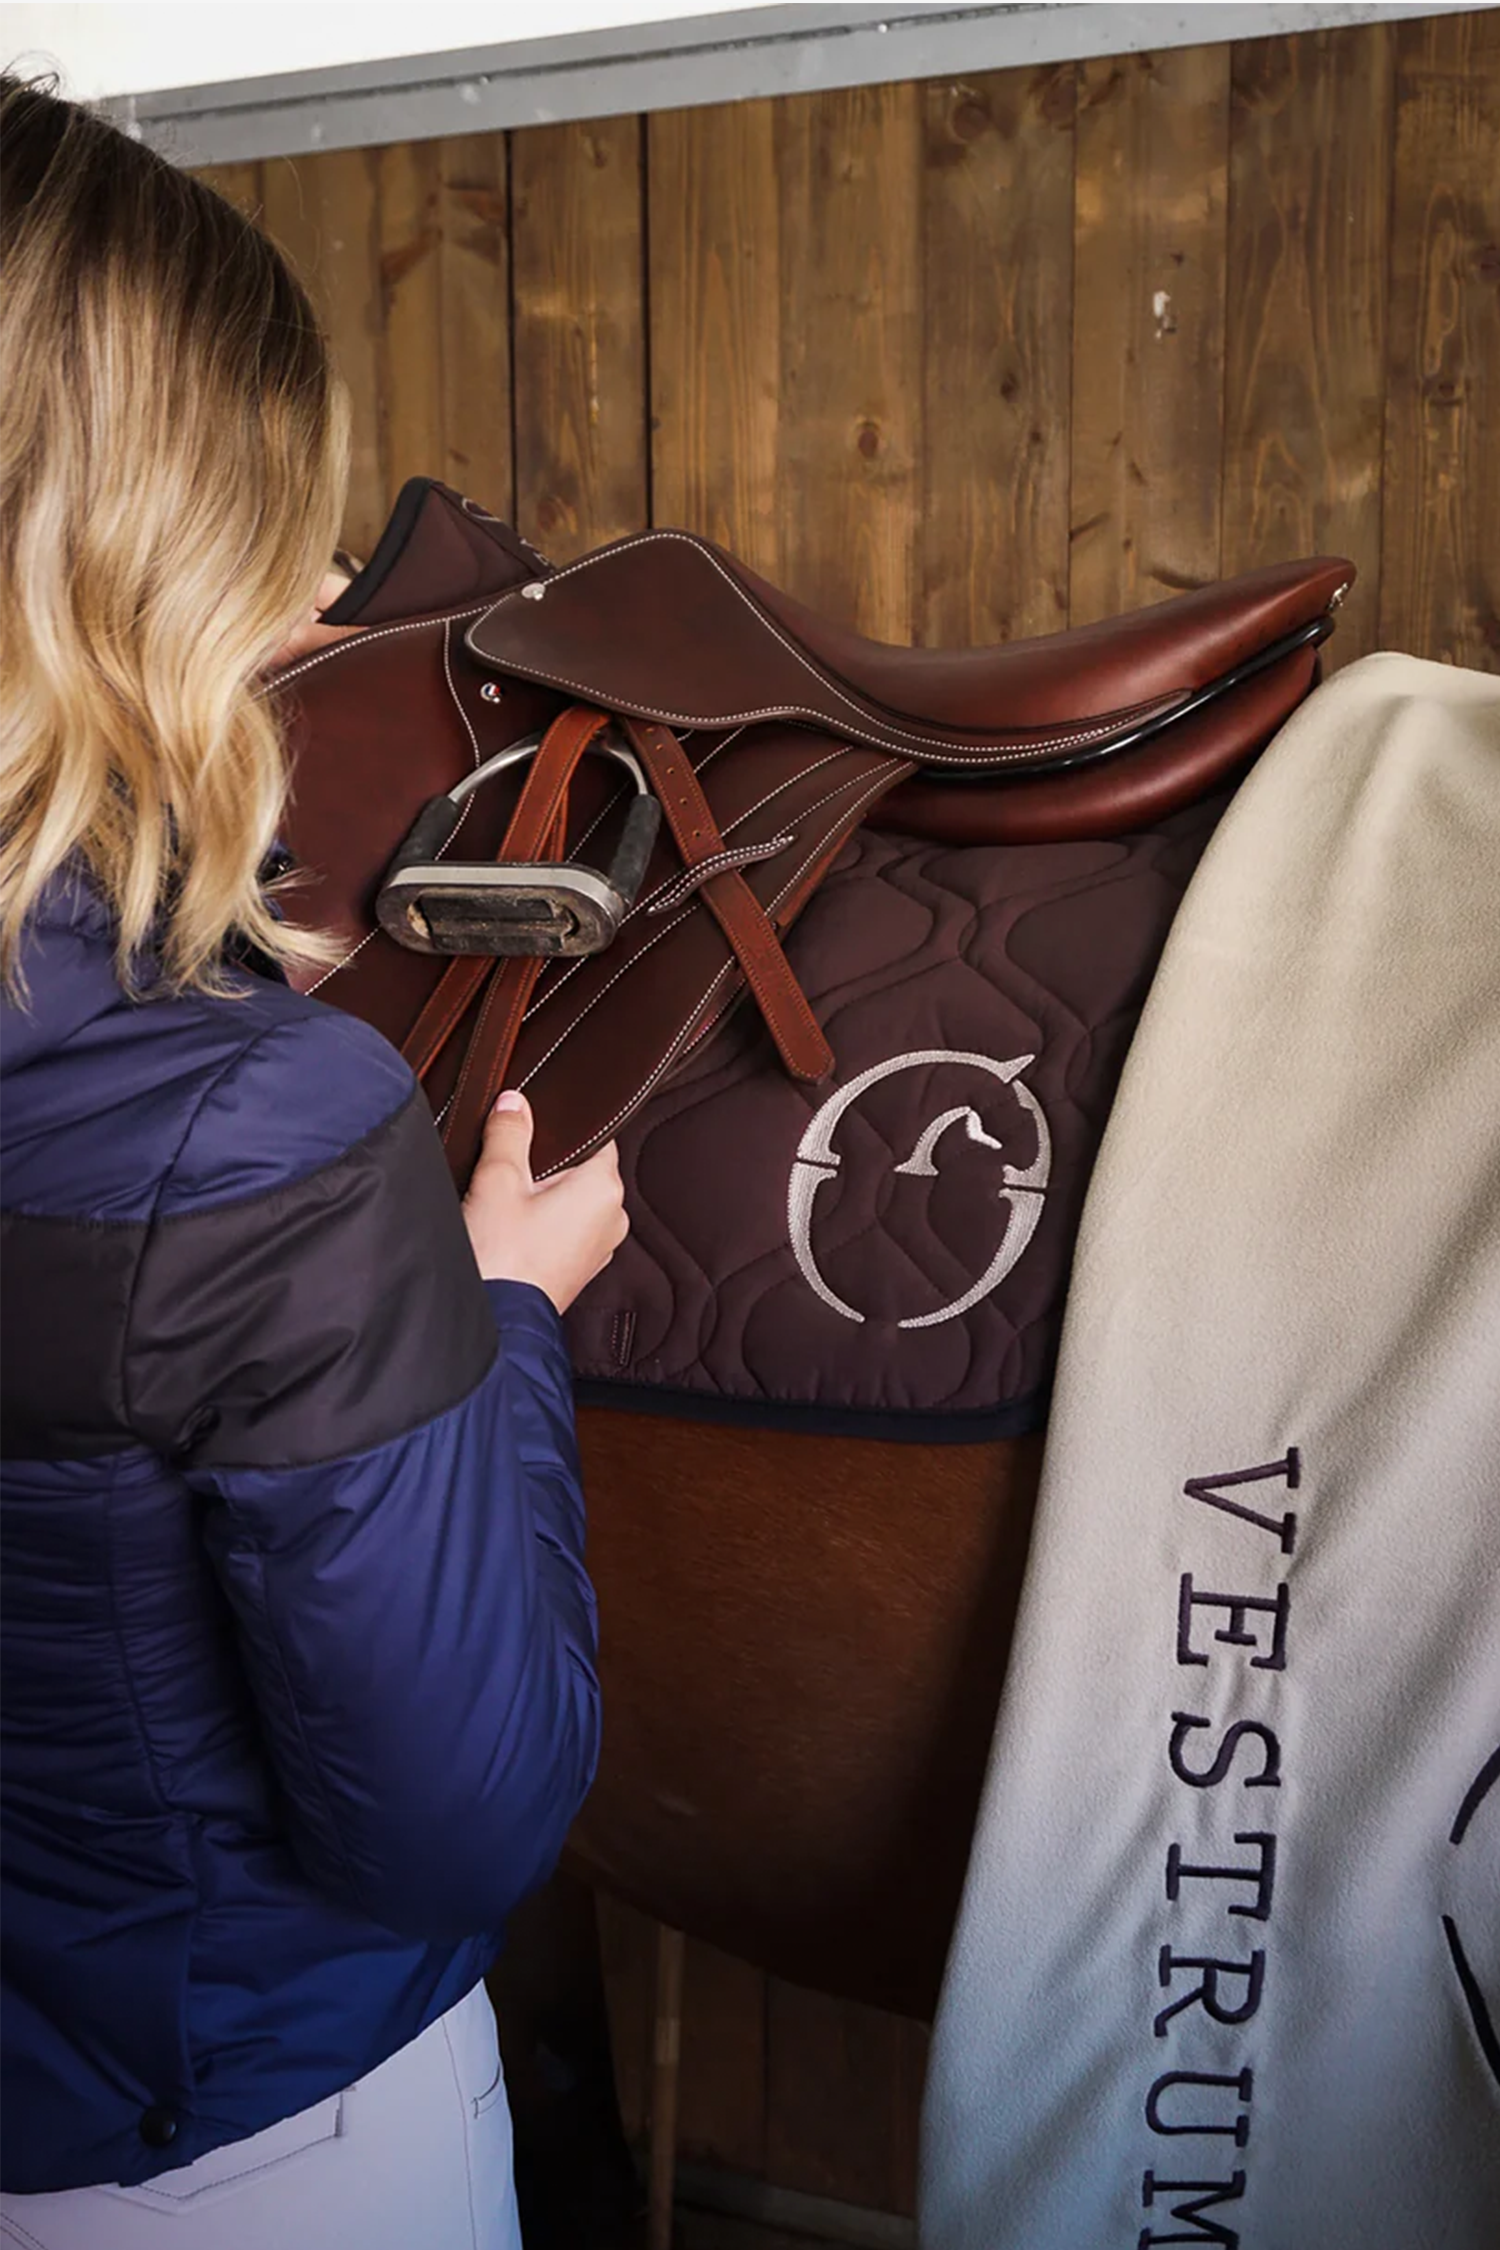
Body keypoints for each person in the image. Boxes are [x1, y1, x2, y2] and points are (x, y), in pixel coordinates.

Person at [0, 74, 627, 2250]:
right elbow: (458, 1818)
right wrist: (499, 1314)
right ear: (155, 564)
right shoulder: (267, 1131)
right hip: (239, 2143)